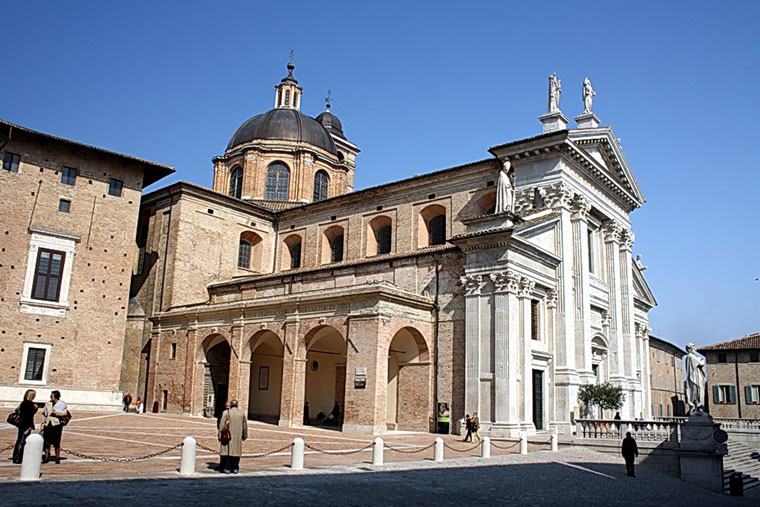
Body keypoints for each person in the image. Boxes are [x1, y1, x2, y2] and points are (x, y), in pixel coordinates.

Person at [218, 399, 248, 474]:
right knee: (236, 452)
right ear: (237, 405)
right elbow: (245, 426)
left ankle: (227, 468)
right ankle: (235, 468)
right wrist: (244, 435)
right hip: (238, 436)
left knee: (227, 452)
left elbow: (221, 425)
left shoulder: (226, 413)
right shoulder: (241, 414)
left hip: (228, 436)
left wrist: (220, 436)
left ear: (230, 405)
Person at [42, 390, 68, 464]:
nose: (51, 397)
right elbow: (46, 412)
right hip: (48, 424)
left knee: (56, 441)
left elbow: (65, 412)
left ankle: (57, 458)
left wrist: (57, 413)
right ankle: (46, 457)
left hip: (56, 424)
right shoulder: (48, 403)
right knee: (46, 441)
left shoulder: (62, 404)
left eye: (52, 395)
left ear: (56, 396)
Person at [12, 389, 38, 464]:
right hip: (25, 425)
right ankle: (18, 457)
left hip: (22, 425)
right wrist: (35, 408)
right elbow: (28, 416)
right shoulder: (28, 404)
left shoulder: (24, 403)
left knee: (20, 440)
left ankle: (18, 456)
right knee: (21, 441)